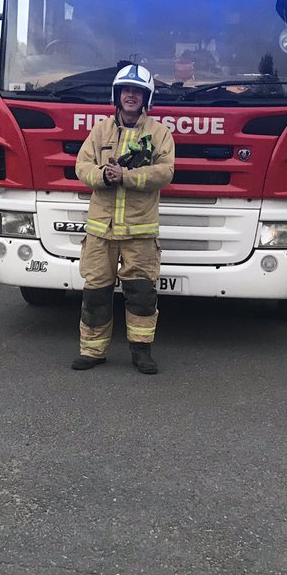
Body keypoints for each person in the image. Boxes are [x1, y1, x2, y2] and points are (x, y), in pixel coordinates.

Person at [71, 63, 175, 374]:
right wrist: (103, 175)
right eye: (126, 90)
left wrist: (126, 175)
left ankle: (141, 352)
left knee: (142, 295)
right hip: (101, 231)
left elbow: (165, 172)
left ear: (146, 97)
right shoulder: (100, 131)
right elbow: (81, 166)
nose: (131, 96)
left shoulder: (160, 134)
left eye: (137, 91)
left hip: (139, 233)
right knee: (96, 294)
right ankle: (92, 351)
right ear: (117, 95)